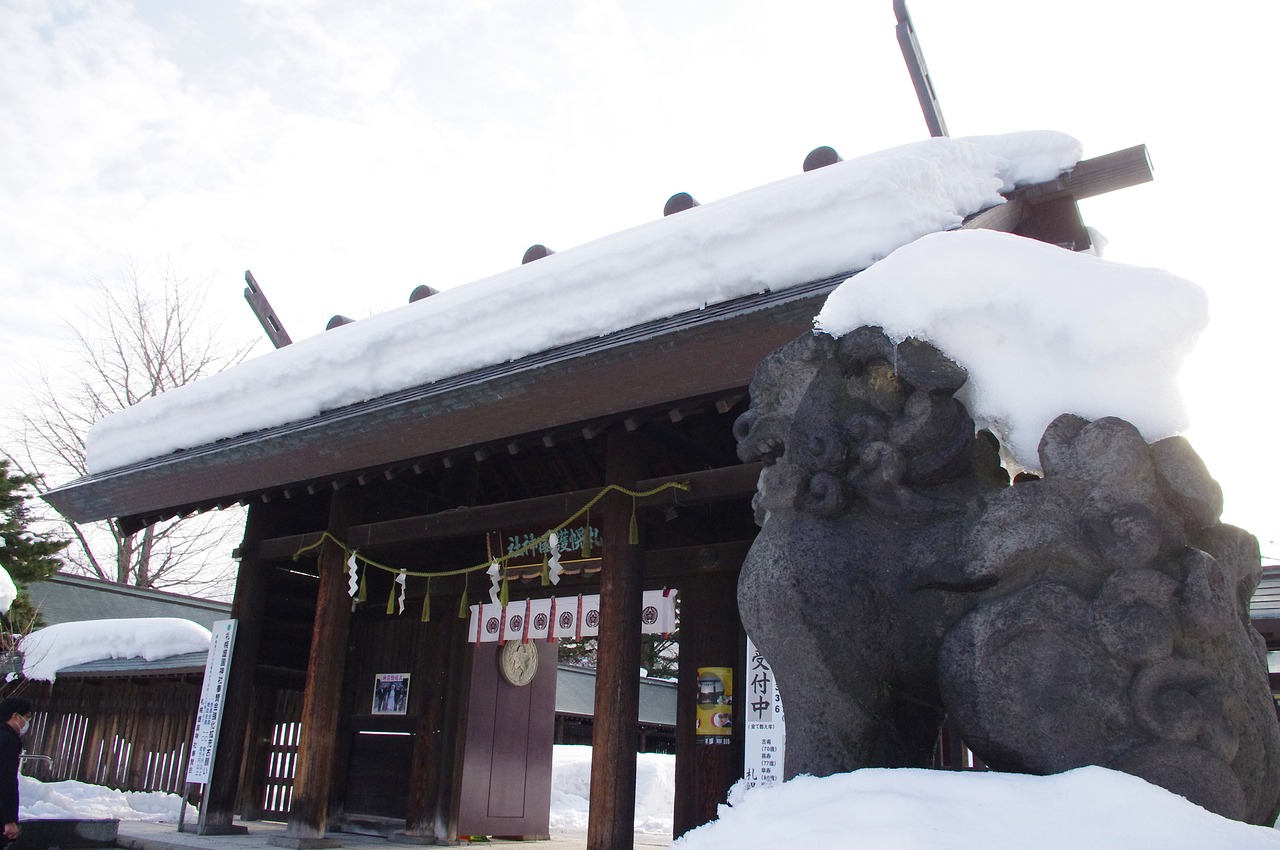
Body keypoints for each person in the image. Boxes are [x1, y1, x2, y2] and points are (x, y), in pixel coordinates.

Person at [0, 697, 31, 846]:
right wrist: (9, 820)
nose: (27, 722)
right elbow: (6, 780)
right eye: (27, 717)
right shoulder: (7, 741)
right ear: (15, 716)